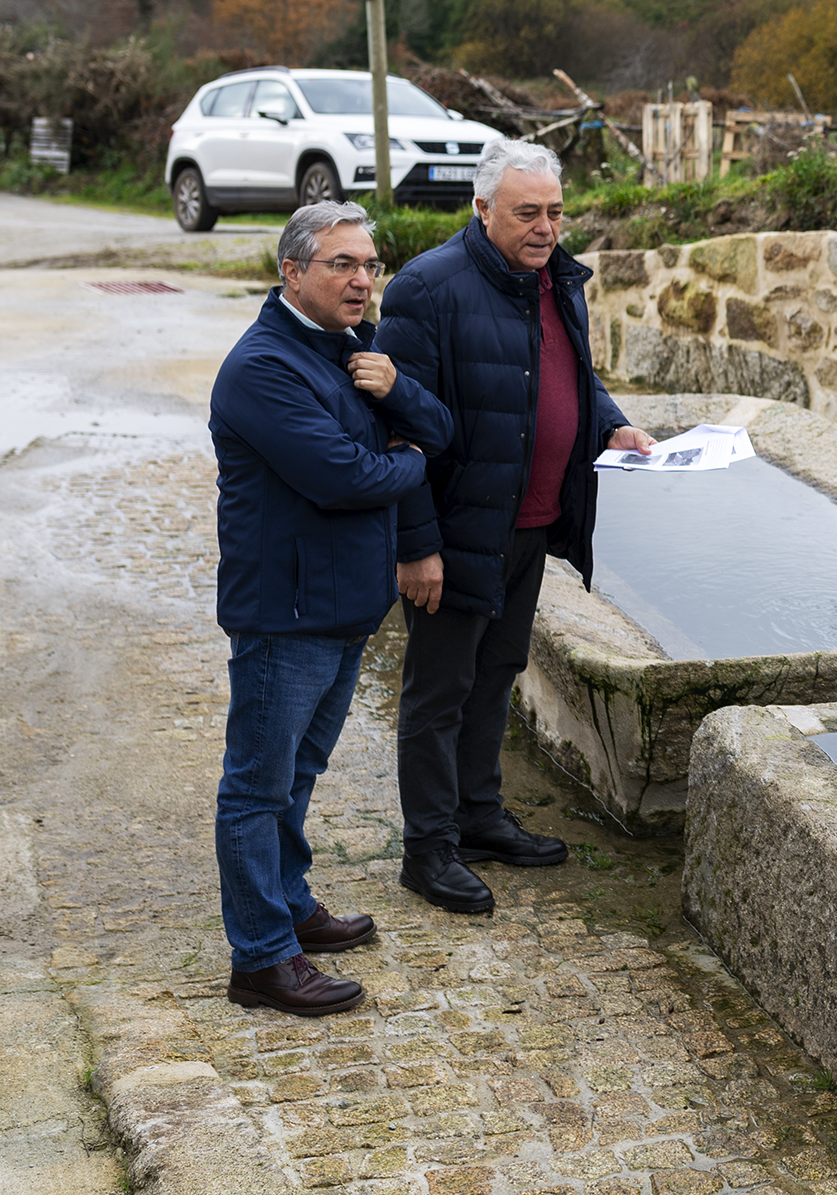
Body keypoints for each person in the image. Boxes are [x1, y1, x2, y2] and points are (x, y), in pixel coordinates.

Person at [379, 141, 655, 915]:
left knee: (496, 674)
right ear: (482, 209)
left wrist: (612, 423)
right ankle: (428, 849)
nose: (546, 227)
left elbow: (572, 377)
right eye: (528, 212)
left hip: (530, 524)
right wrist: (416, 543)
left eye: (556, 212)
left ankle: (478, 817)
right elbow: (395, 429)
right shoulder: (425, 289)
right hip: (458, 530)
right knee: (439, 691)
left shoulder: (557, 280)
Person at [210, 202, 452, 1015]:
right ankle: (261, 957)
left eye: (369, 264)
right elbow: (343, 477)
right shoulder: (262, 367)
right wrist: (407, 461)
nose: (362, 280)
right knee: (257, 785)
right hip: (285, 614)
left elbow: (439, 427)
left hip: (346, 607)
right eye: (342, 264)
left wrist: (400, 394)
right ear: (292, 271)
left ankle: (288, 899)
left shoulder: (354, 347)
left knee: (299, 773)